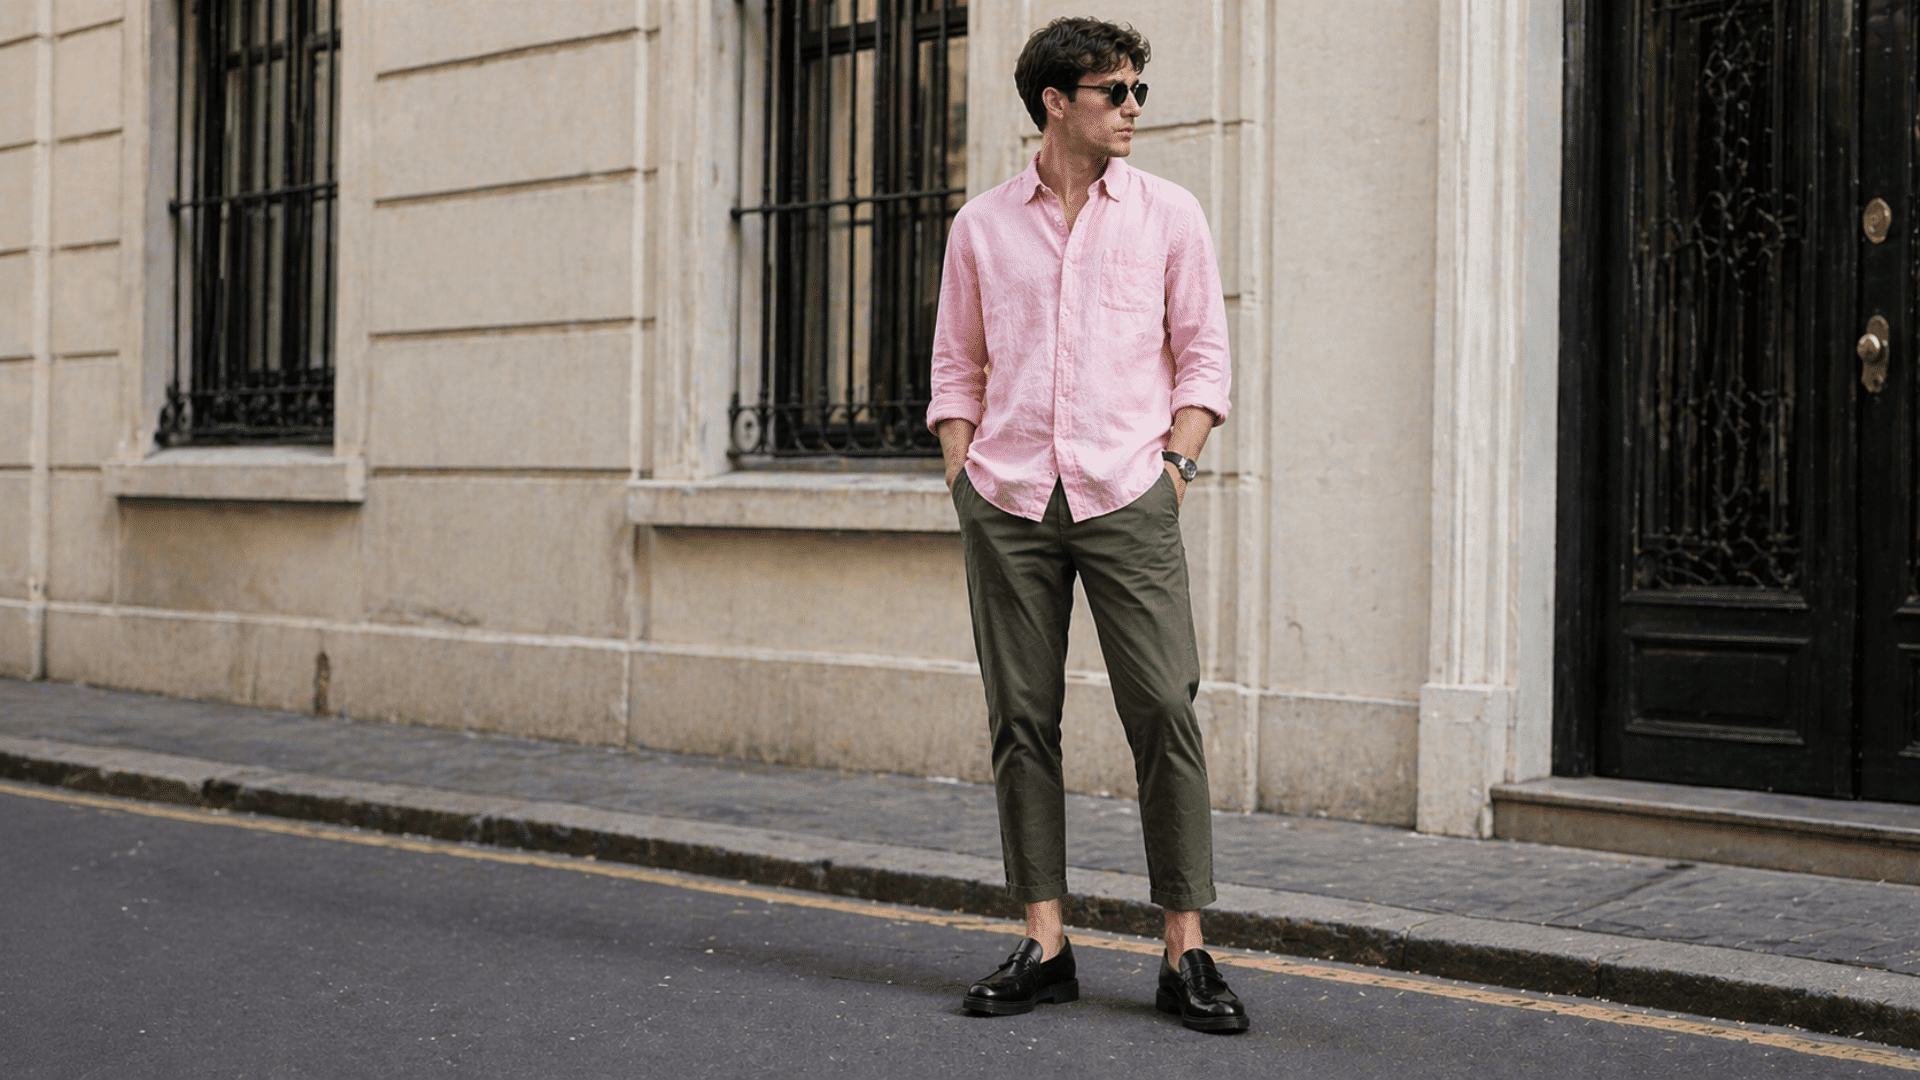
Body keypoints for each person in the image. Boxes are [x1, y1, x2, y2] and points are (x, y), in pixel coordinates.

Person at [926, 16, 1247, 1034]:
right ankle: (1046, 943)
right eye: (1116, 91)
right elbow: (955, 368)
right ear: (1057, 102)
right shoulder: (981, 227)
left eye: (1136, 89)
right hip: (1011, 499)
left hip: (1127, 495)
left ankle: (1185, 952)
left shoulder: (1168, 215)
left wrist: (1176, 471)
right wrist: (963, 475)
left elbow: (1202, 356)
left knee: (1164, 708)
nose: (1134, 108)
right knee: (1023, 722)